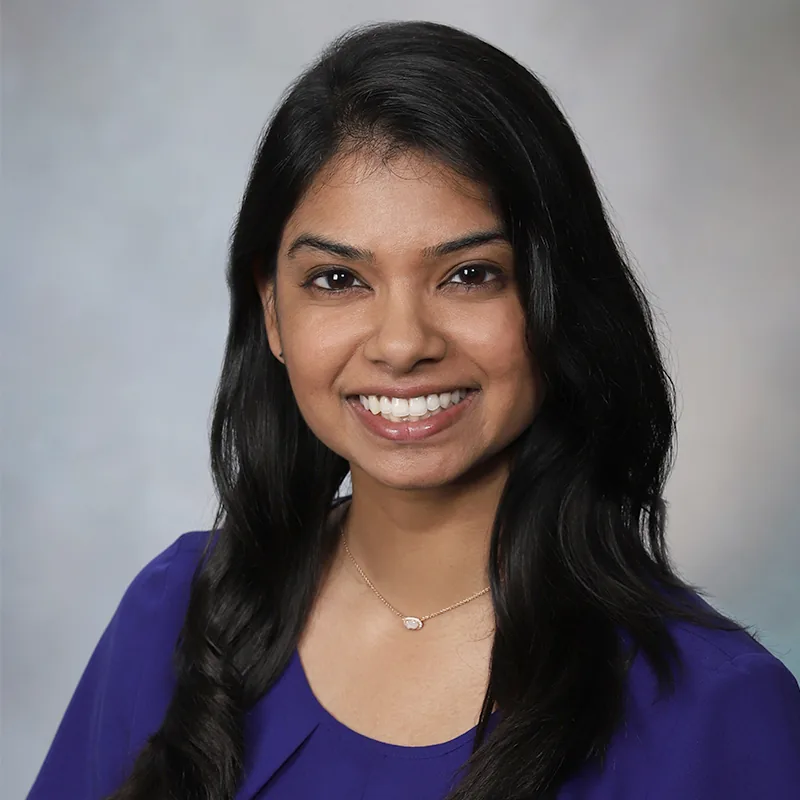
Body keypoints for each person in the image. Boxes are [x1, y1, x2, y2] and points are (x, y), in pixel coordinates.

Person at [29, 19, 800, 800]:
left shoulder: (719, 711)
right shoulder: (176, 615)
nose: (402, 345)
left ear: (557, 296)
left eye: (469, 275)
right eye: (337, 280)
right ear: (271, 308)